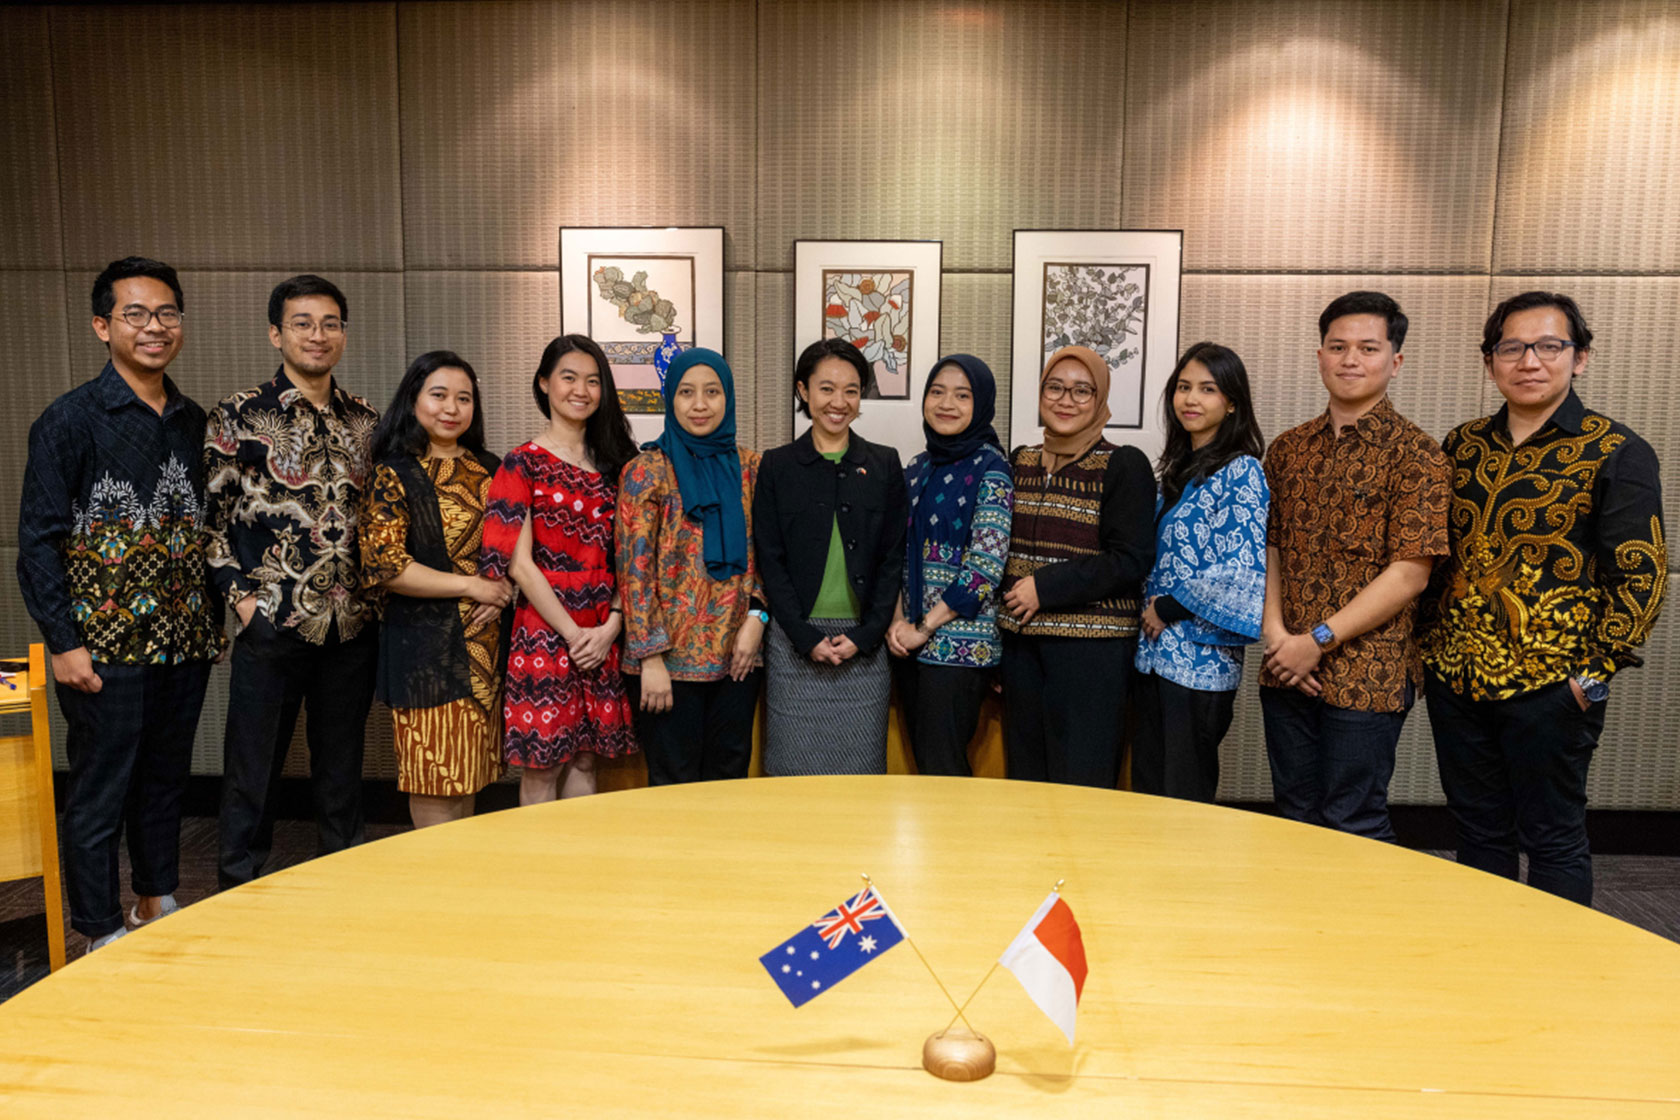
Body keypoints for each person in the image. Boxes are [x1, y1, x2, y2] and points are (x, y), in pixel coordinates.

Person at [1420, 292, 1665, 904]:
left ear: (1580, 357)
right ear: (1490, 361)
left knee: (1553, 835)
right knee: (1477, 831)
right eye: (1512, 347)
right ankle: (1488, 964)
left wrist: (1593, 675)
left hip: (1554, 685)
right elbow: (1438, 558)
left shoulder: (1615, 450)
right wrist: (1427, 649)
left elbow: (1639, 574)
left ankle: (1559, 981)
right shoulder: (1462, 446)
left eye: (1549, 346)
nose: (1530, 360)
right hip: (1457, 675)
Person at [18, 257, 222, 949]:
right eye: (135, 314)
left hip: (185, 640)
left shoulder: (196, 421)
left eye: (166, 313)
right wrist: (63, 640)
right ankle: (100, 930)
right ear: (103, 325)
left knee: (166, 783)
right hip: (103, 646)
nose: (154, 327)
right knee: (101, 791)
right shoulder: (69, 420)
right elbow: (37, 543)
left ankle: (155, 899)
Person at [205, 274, 380, 889]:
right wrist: (244, 605)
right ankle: (237, 891)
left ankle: (342, 889)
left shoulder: (367, 419)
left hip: (352, 626)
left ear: (344, 334)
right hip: (273, 623)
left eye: (331, 323)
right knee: (252, 773)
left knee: (342, 774)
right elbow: (211, 525)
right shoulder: (239, 415)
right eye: (303, 323)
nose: (318, 335)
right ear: (276, 333)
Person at [1260, 291, 1450, 841]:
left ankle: (1358, 930)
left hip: (1370, 672)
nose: (1350, 359)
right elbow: (1273, 547)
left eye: (1368, 348)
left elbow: (1411, 572)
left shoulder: (1418, 454)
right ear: (1319, 355)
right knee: (1293, 815)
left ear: (1395, 361)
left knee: (1353, 822)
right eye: (1337, 346)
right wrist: (1276, 635)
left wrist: (1315, 639)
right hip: (1286, 665)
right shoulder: (1288, 449)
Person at [480, 335, 639, 803]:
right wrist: (574, 634)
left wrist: (611, 627)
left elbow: (631, 558)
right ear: (545, 383)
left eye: (593, 381)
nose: (581, 390)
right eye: (569, 378)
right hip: (546, 630)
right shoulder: (521, 463)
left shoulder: (618, 465)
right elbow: (520, 565)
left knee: (587, 756)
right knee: (543, 763)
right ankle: (540, 870)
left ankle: (582, 867)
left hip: (601, 628)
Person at [358, 351, 514, 828]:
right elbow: (385, 565)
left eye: (464, 398)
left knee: (472, 778)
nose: (452, 408)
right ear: (413, 400)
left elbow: (515, 548)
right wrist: (473, 585)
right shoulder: (393, 471)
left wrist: (503, 585)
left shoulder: (492, 468)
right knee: (435, 778)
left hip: (487, 650)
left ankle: (463, 888)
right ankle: (434, 890)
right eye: (439, 395)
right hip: (424, 651)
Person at [998, 345, 1156, 788]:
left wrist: (1045, 587)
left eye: (1082, 391)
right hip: (1022, 650)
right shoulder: (1020, 461)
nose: (1066, 400)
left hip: (1091, 655)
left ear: (1100, 398)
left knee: (1081, 785)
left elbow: (1130, 559)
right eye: (1055, 387)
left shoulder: (1123, 464)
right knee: (1025, 781)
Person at [754, 338, 907, 775]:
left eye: (852, 390)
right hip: (794, 644)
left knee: (860, 779)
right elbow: (771, 560)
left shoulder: (883, 464)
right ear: (803, 391)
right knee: (790, 778)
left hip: (864, 647)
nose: (839, 402)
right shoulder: (778, 466)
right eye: (826, 388)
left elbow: (891, 559)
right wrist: (804, 637)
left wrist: (867, 634)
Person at [616, 348, 765, 785]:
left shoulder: (753, 469)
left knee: (729, 776)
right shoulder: (646, 471)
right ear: (670, 399)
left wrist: (759, 617)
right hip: (666, 662)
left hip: (739, 654)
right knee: (672, 784)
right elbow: (634, 571)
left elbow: (772, 556)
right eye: (686, 393)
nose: (700, 404)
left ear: (728, 397)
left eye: (712, 392)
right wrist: (651, 658)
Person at [1133, 342, 1269, 802]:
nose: (1191, 399)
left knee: (1184, 794)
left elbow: (1241, 570)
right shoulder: (1176, 467)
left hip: (1200, 662)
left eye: (1208, 389)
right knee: (1150, 789)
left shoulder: (1242, 471)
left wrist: (1166, 607)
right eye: (1184, 387)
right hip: (1155, 657)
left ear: (1231, 402)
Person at [886, 354, 1013, 776]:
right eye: (937, 392)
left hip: (958, 648)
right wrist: (899, 621)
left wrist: (924, 628)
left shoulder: (993, 470)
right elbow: (894, 553)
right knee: (924, 766)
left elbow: (984, 569)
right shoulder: (918, 468)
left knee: (944, 770)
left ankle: (961, 844)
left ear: (982, 405)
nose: (947, 404)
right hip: (908, 644)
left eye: (962, 395)